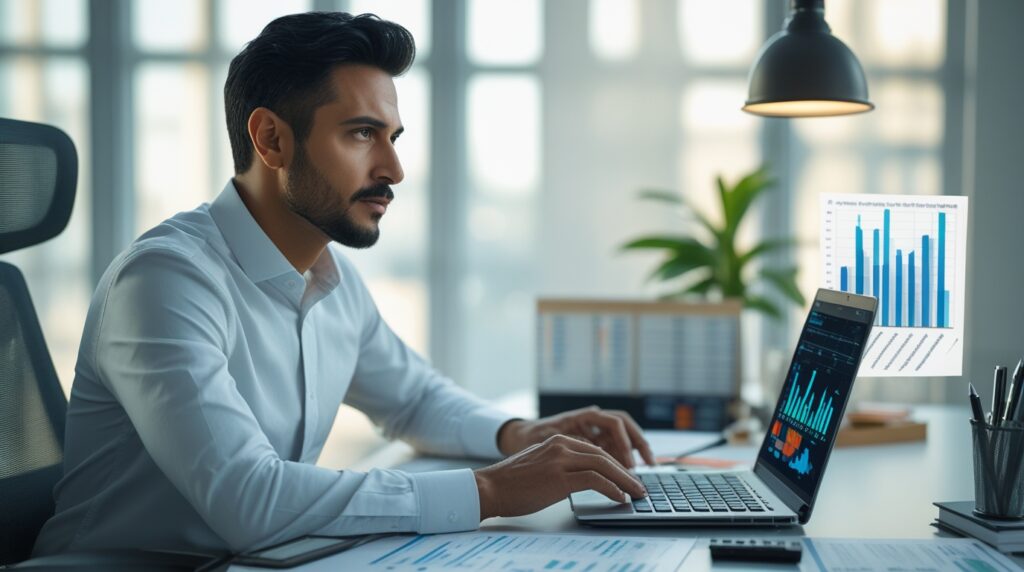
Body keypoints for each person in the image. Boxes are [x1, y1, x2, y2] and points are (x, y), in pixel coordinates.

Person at [33, 12, 653, 557]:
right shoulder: (166, 282)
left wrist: (516, 435)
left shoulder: (329, 277)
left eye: (392, 137)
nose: (394, 169)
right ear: (271, 140)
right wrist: (491, 489)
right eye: (361, 134)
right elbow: (249, 498)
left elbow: (413, 400)